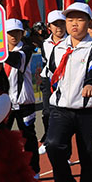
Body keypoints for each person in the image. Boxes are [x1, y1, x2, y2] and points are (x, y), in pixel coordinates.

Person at [42, 2, 92, 182]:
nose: (74, 24)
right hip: (62, 109)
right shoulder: (58, 47)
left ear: (88, 23)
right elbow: (51, 72)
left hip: (90, 110)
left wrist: (90, 83)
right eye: (70, 20)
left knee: (90, 158)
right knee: (52, 144)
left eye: (79, 20)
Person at [4, 20, 40, 176]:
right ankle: (5, 170)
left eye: (17, 32)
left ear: (22, 33)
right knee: (1, 138)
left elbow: (15, 60)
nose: (14, 36)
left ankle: (34, 170)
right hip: (4, 103)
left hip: (24, 102)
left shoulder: (26, 49)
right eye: (10, 33)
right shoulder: (1, 51)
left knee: (28, 137)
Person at [38, 10, 67, 155]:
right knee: (47, 112)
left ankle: (66, 152)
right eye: (56, 24)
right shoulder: (45, 44)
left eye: (62, 23)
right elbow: (45, 62)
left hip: (65, 81)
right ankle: (48, 139)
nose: (59, 27)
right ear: (49, 26)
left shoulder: (70, 42)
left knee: (64, 115)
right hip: (48, 80)